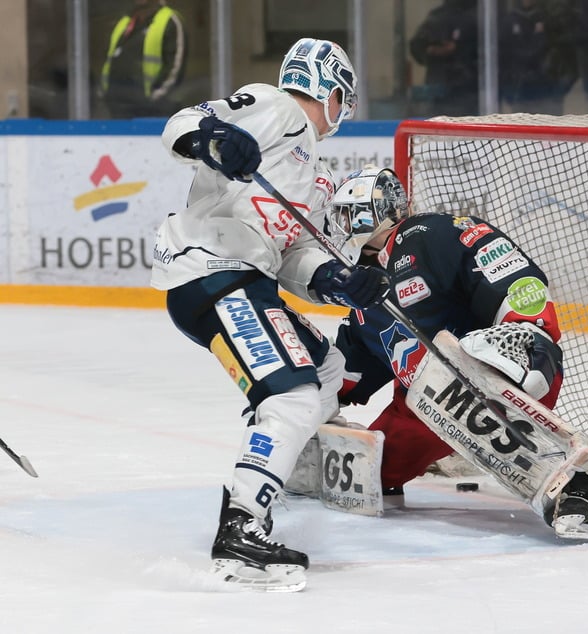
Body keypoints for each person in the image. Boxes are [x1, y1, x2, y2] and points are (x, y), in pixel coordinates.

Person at [150, 38, 389, 589]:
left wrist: (335, 280)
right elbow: (182, 124)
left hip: (243, 277)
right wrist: (212, 139)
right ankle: (242, 526)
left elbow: (290, 258)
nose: (343, 113)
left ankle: (270, 461)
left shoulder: (305, 166)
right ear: (331, 92)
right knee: (292, 395)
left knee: (327, 369)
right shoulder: (276, 106)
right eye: (343, 99)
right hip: (214, 272)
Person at [324, 165, 588, 540]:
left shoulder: (432, 234)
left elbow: (511, 276)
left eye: (349, 214)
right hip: (422, 406)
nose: (342, 226)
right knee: (368, 470)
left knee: (461, 386)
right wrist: (305, 386)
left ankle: (576, 489)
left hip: (491, 377)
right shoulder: (364, 292)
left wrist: (528, 330)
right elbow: (350, 371)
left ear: (376, 212)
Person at [99, 0, 187, 118]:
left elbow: (175, 68)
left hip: (153, 112)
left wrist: (151, 99)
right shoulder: (124, 23)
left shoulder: (169, 20)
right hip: (117, 109)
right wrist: (105, 93)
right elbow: (109, 60)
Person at [498, 0, 576, 115]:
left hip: (548, 87)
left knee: (551, 126)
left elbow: (566, 54)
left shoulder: (551, 20)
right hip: (519, 87)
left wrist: (560, 89)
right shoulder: (509, 21)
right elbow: (504, 56)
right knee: (522, 125)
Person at [408, 0, 479, 117]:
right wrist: (431, 50)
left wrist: (459, 49)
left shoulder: (478, 16)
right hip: (438, 90)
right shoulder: (437, 17)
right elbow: (417, 46)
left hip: (468, 92)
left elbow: (487, 52)